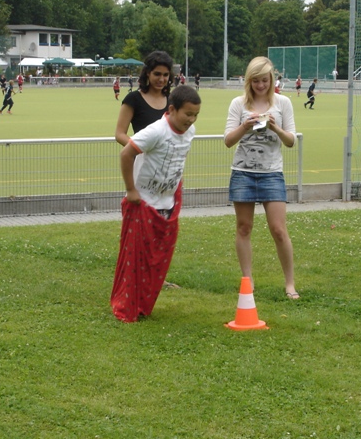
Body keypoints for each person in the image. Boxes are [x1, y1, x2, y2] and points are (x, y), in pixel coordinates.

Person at [111, 85, 202, 322]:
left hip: (167, 205)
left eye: (196, 115)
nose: (191, 120)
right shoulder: (155, 131)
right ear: (172, 109)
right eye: (188, 114)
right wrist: (131, 190)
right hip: (143, 204)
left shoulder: (190, 132)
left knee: (157, 261)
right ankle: (128, 305)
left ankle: (143, 303)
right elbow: (126, 154)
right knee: (136, 260)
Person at [224, 56, 298, 300]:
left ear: (272, 79)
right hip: (243, 173)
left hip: (271, 174)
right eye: (255, 81)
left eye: (264, 80)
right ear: (249, 81)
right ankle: (248, 279)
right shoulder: (238, 104)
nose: (260, 85)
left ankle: (290, 284)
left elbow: (290, 141)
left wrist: (275, 127)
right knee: (244, 227)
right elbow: (228, 141)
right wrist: (246, 126)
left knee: (278, 229)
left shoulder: (283, 103)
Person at [115, 50, 182, 290]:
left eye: (165, 75)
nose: (161, 79)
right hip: (140, 171)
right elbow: (119, 133)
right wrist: (140, 150)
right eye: (157, 74)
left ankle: (157, 278)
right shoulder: (133, 99)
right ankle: (134, 275)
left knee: (161, 229)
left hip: (164, 174)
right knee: (139, 228)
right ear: (147, 73)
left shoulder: (172, 101)